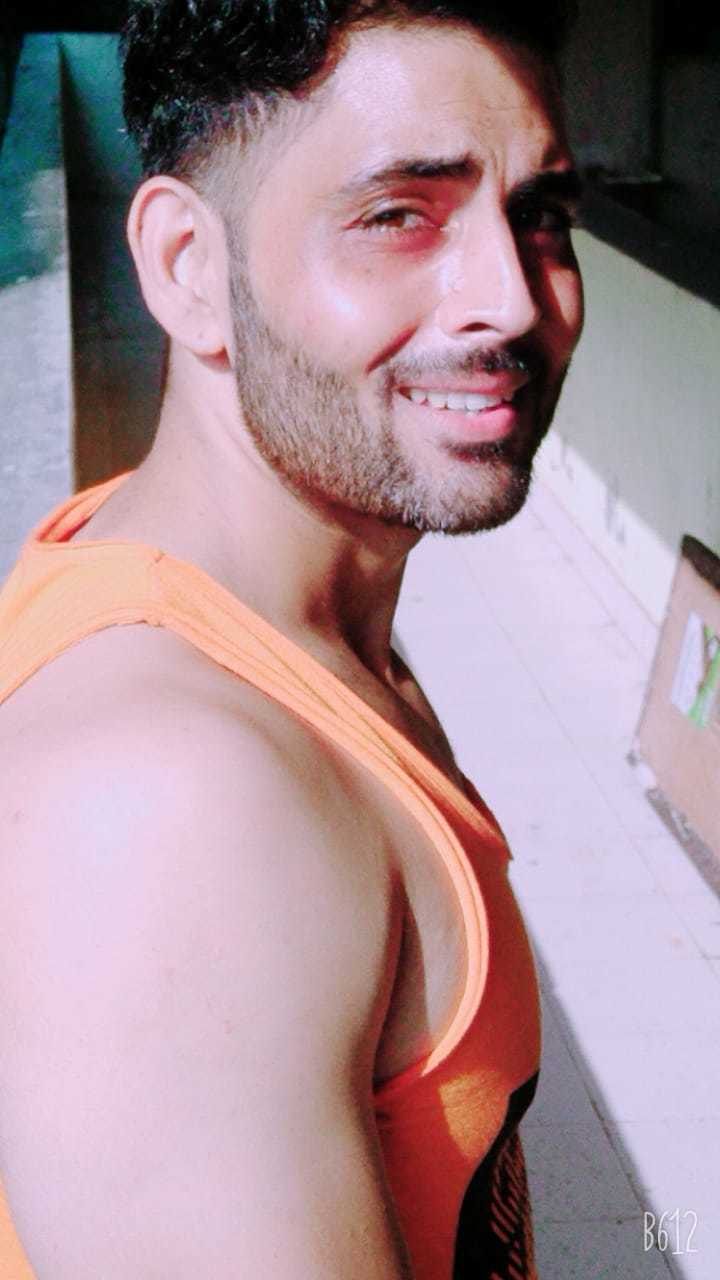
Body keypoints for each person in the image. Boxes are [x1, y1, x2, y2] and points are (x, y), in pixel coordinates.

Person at [0, 2, 584, 1276]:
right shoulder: (169, 806)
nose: (511, 298)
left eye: (541, 213)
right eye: (401, 214)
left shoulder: (272, 616)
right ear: (186, 267)